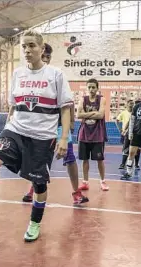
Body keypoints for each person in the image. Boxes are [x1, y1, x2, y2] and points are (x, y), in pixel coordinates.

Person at [0, 30, 73, 242]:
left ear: (41, 47)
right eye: (24, 47)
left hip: (42, 137)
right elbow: (14, 104)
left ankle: (35, 223)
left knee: (39, 185)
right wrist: (9, 124)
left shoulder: (55, 75)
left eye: (32, 46)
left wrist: (63, 137)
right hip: (16, 130)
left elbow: (65, 109)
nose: (27, 50)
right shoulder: (18, 74)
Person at [22, 43, 89, 206]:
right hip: (41, 127)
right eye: (44, 56)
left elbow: (69, 102)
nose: (45, 59)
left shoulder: (57, 76)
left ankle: (76, 193)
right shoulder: (29, 79)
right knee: (38, 160)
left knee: (70, 158)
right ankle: (33, 190)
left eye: (48, 57)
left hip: (59, 126)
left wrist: (71, 122)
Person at [77, 78, 109, 191]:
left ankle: (103, 181)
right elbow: (78, 115)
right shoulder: (83, 99)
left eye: (93, 87)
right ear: (87, 88)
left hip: (97, 135)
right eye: (89, 87)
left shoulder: (102, 99)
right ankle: (85, 182)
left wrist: (85, 114)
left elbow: (100, 115)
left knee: (100, 160)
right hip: (84, 134)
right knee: (85, 160)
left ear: (97, 88)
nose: (91, 89)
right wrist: (93, 113)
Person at [117, 100, 140, 169]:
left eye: (133, 104)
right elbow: (129, 121)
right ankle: (123, 164)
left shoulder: (139, 113)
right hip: (128, 133)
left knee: (137, 149)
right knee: (126, 148)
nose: (132, 105)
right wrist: (122, 130)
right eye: (131, 104)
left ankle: (136, 164)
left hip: (138, 134)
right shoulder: (127, 113)